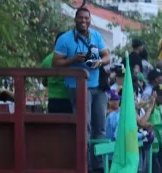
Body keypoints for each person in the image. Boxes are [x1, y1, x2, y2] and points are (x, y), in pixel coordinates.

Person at [52, 7, 111, 140]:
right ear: (75, 20)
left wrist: (99, 62)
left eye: (86, 18)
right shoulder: (65, 38)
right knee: (85, 126)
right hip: (78, 86)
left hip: (98, 86)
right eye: (80, 18)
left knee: (101, 127)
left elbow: (107, 56)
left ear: (90, 20)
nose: (83, 21)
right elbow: (55, 63)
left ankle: (98, 161)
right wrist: (74, 59)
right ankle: (84, 160)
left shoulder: (96, 35)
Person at [41, 33, 72, 114]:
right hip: (69, 99)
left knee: (54, 125)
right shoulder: (72, 59)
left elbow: (44, 82)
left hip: (53, 99)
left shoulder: (46, 60)